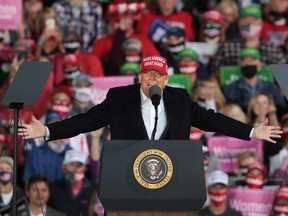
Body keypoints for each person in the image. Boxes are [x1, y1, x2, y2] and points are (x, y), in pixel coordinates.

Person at [19, 55, 282, 146]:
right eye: (148, 74)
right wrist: (47, 130)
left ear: (166, 80)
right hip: (127, 180)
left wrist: (251, 130)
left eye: (158, 75)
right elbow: (87, 121)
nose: (152, 79)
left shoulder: (180, 99)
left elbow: (212, 120)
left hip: (172, 181)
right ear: (139, 77)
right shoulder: (119, 98)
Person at [47, 149, 95, 216]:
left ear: (85, 168)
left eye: (79, 165)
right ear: (64, 167)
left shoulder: (93, 190)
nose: (75, 169)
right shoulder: (53, 188)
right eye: (71, 164)